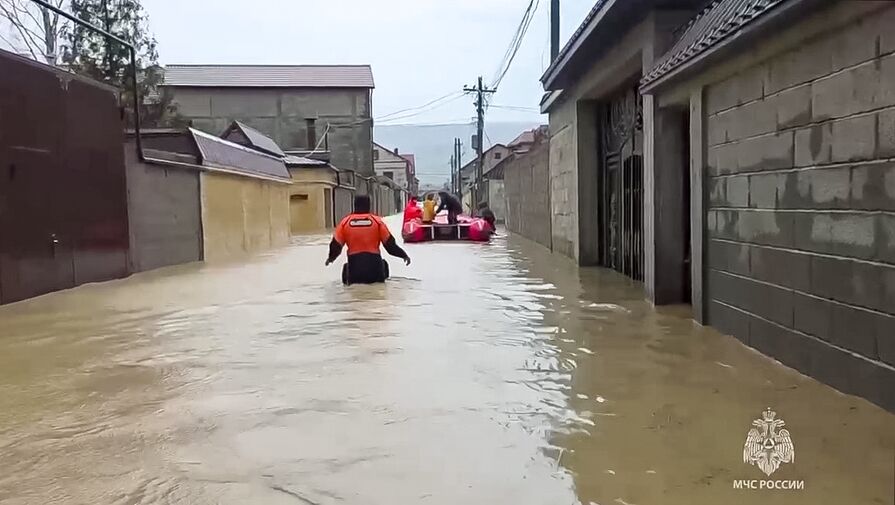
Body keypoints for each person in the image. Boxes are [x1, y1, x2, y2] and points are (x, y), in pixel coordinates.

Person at [326, 195, 411, 285]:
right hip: (375, 267)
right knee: (383, 267)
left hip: (354, 269)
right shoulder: (377, 222)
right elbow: (390, 246)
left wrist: (331, 258)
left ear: (354, 205)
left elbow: (335, 245)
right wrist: (403, 255)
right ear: (369, 205)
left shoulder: (345, 223)